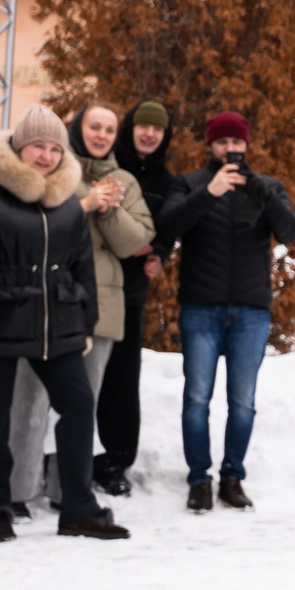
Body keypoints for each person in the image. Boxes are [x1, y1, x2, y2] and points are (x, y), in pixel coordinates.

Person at [0, 105, 124, 543]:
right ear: (18, 147)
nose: (46, 156)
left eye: (53, 148)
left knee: (79, 405)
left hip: (59, 327)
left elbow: (80, 268)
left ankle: (77, 508)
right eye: (37, 147)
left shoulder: (65, 202)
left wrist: (85, 324)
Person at [4, 104, 154, 510]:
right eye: (94, 126)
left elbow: (134, 242)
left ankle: (66, 490)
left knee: (82, 406)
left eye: (109, 129)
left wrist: (110, 208)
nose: (102, 135)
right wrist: (86, 201)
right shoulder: (52, 168)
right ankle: (18, 493)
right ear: (78, 128)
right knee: (29, 401)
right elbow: (29, 219)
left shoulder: (124, 181)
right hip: (43, 302)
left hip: (100, 307)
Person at [157, 109, 295, 513]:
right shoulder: (191, 184)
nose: (230, 150)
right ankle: (199, 480)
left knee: (242, 401)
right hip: (200, 308)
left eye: (237, 143)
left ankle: (232, 476)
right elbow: (167, 226)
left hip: (251, 311)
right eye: (222, 142)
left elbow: (291, 232)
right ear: (211, 145)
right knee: (197, 399)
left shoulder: (266, 186)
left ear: (247, 145)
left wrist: (259, 189)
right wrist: (210, 193)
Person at [95, 98, 177, 494]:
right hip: (93, 279)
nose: (149, 134)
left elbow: (167, 228)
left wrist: (159, 252)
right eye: (143, 126)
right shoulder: (109, 166)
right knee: (82, 373)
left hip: (130, 289)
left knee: (123, 375)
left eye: (157, 130)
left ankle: (116, 460)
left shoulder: (166, 181)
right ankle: (67, 459)